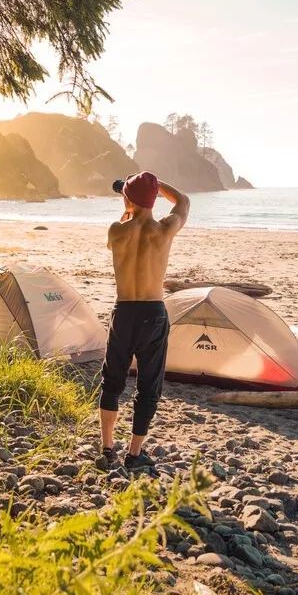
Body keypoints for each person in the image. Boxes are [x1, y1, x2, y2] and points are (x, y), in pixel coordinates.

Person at [99, 170, 190, 472]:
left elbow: (128, 218)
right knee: (148, 387)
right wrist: (156, 186)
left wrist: (130, 199)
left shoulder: (116, 231)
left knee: (112, 383)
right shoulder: (164, 230)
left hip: (123, 312)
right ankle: (134, 453)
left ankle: (107, 449)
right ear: (152, 199)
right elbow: (184, 201)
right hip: (152, 314)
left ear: (127, 198)